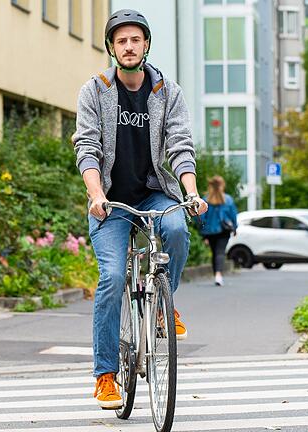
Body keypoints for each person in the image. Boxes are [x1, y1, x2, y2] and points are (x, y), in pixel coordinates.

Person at [72, 9, 208, 409]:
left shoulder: (168, 91)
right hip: (111, 201)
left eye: (135, 40)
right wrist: (96, 194)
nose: (129, 47)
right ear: (112, 48)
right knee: (113, 278)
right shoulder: (94, 91)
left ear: (146, 44)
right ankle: (105, 376)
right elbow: (88, 147)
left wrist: (192, 192)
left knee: (179, 229)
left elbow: (180, 145)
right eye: (121, 41)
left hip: (152, 192)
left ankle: (165, 308)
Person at [198, 176, 238, 286]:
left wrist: (203, 233)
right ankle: (218, 275)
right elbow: (233, 216)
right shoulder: (228, 199)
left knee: (215, 253)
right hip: (224, 230)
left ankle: (216, 274)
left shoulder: (205, 200)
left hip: (209, 232)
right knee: (220, 252)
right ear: (222, 185)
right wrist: (235, 228)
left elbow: (201, 218)